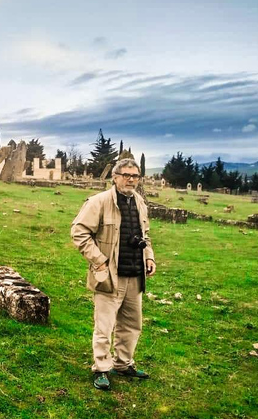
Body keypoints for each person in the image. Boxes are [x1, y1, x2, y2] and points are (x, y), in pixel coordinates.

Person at [70, 158, 156, 390]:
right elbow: (79, 232)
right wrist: (99, 261)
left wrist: (149, 256)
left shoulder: (139, 202)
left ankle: (123, 363)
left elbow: (145, 235)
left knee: (132, 324)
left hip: (135, 275)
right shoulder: (99, 202)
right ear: (115, 177)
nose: (130, 179)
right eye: (125, 175)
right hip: (109, 275)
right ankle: (101, 369)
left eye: (135, 176)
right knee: (104, 326)